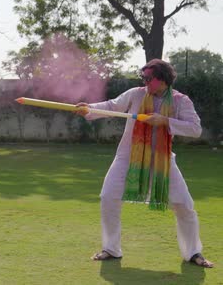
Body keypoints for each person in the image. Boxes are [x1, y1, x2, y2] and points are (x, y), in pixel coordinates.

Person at [75, 59, 214, 268]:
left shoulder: (180, 101)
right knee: (107, 197)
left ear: (163, 79)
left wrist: (165, 121)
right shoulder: (136, 94)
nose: (145, 81)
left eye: (149, 78)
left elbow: (195, 129)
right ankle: (111, 249)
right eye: (144, 77)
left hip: (162, 161)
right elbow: (112, 106)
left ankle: (194, 253)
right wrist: (89, 108)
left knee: (184, 205)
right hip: (127, 157)